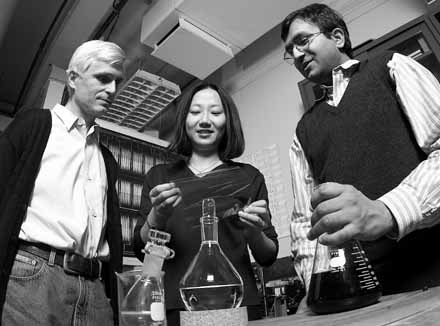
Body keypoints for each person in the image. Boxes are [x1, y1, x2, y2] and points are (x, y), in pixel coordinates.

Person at [281, 3, 440, 299]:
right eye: (290, 50)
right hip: (359, 296)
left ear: (338, 37)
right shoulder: (302, 133)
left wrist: (387, 211)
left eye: (303, 40)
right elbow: (306, 221)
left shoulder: (391, 67)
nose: (297, 55)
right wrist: (313, 288)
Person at [0, 40, 126, 325]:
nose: (112, 90)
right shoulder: (35, 125)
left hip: (94, 288)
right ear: (72, 78)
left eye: (117, 82)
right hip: (32, 278)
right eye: (103, 79)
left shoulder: (106, 158)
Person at [133, 83, 279, 325]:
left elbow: (267, 256)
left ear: (227, 121)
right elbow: (141, 251)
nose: (204, 120)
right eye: (195, 111)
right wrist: (157, 216)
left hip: (237, 303)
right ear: (184, 119)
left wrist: (254, 232)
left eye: (215, 112)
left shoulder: (249, 177)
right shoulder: (159, 177)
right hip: (176, 306)